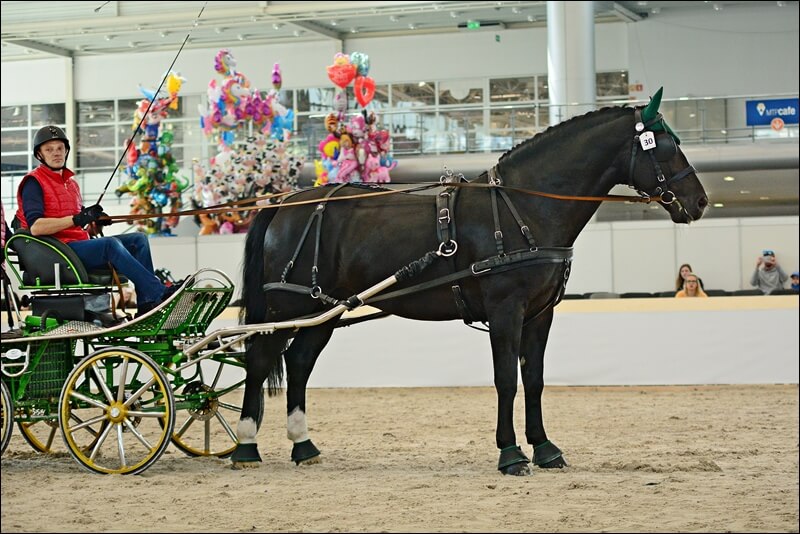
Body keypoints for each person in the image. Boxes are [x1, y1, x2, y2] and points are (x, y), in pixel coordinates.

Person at [14, 125, 174, 316]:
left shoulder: (70, 184)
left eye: (60, 148)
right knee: (110, 245)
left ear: (66, 150)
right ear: (39, 154)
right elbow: (36, 228)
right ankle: (159, 292)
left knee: (138, 239)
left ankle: (148, 303)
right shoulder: (33, 182)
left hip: (76, 246)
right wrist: (78, 218)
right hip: (58, 253)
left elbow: (75, 221)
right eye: (49, 149)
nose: (56, 153)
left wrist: (92, 220)